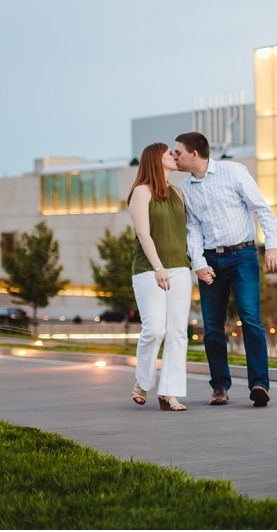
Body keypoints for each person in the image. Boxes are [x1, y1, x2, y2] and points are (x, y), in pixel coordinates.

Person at [174, 132, 277, 408]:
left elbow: (262, 209)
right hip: (210, 260)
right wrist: (197, 263)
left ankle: (259, 384)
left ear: (194, 153)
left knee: (251, 320)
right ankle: (219, 387)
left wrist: (271, 245)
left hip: (243, 255)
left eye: (178, 152)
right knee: (212, 328)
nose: (175, 157)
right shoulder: (185, 187)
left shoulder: (233, 172)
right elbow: (192, 228)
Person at [127, 142, 193, 412]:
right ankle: (142, 382)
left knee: (178, 332)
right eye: (170, 153)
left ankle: (170, 393)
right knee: (154, 330)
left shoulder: (178, 192)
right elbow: (144, 233)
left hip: (180, 268)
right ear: (157, 159)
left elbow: (185, 232)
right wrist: (158, 267)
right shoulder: (141, 192)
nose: (175, 157)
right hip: (149, 269)